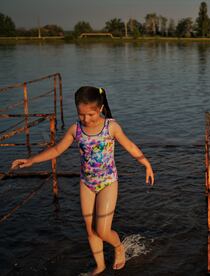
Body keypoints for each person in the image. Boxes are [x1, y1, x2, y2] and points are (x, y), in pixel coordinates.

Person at [11, 86, 155, 275]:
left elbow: (130, 145)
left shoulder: (111, 127)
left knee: (103, 231)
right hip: (86, 183)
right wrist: (31, 160)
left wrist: (146, 164)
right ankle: (100, 265)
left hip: (108, 182)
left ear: (100, 109)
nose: (86, 119)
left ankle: (118, 247)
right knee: (90, 230)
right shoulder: (75, 129)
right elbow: (56, 150)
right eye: (81, 115)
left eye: (91, 114)